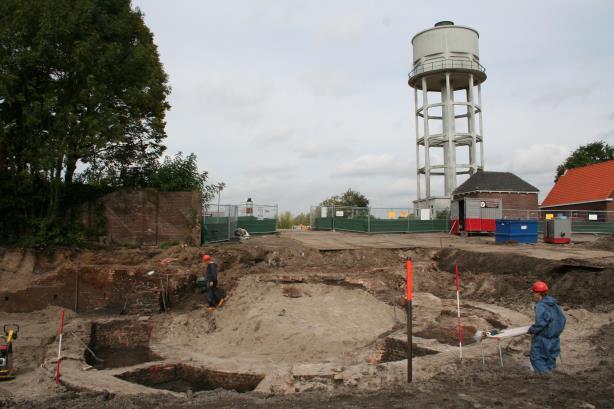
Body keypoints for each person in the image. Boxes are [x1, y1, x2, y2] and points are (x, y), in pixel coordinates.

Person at [527, 280, 566, 374]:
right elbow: (562, 319)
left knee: (537, 358)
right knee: (550, 359)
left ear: (538, 294)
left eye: (534, 293)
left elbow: (542, 322)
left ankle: (545, 378)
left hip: (543, 339)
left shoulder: (540, 306)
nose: (533, 296)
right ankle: (552, 379)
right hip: (554, 339)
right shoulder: (553, 303)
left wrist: (533, 329)